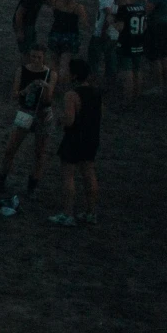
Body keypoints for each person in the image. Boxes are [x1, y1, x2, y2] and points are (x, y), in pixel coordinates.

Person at [50, 58, 104, 226]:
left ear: (74, 75)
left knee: (68, 176)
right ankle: (91, 212)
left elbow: (70, 120)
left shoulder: (71, 95)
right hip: (91, 137)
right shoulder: (96, 93)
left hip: (74, 138)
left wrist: (59, 120)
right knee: (89, 173)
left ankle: (67, 214)